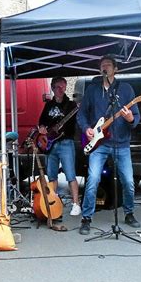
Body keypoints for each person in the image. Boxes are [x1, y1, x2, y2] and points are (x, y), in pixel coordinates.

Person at [76, 55, 141, 235]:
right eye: (102, 65)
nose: (105, 68)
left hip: (121, 143)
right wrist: (87, 128)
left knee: (128, 181)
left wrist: (130, 119)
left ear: (115, 69)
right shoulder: (92, 89)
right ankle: (86, 217)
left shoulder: (126, 89)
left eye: (108, 65)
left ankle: (129, 213)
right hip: (100, 143)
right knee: (93, 179)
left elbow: (136, 117)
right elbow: (81, 114)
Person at [38, 76, 81, 216]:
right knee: (52, 176)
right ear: (52, 88)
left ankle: (76, 204)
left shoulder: (72, 105)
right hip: (51, 144)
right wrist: (43, 129)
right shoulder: (48, 105)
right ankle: (53, 201)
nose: (60, 89)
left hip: (66, 142)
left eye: (62, 86)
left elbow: (77, 121)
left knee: (70, 175)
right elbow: (41, 122)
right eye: (57, 87)